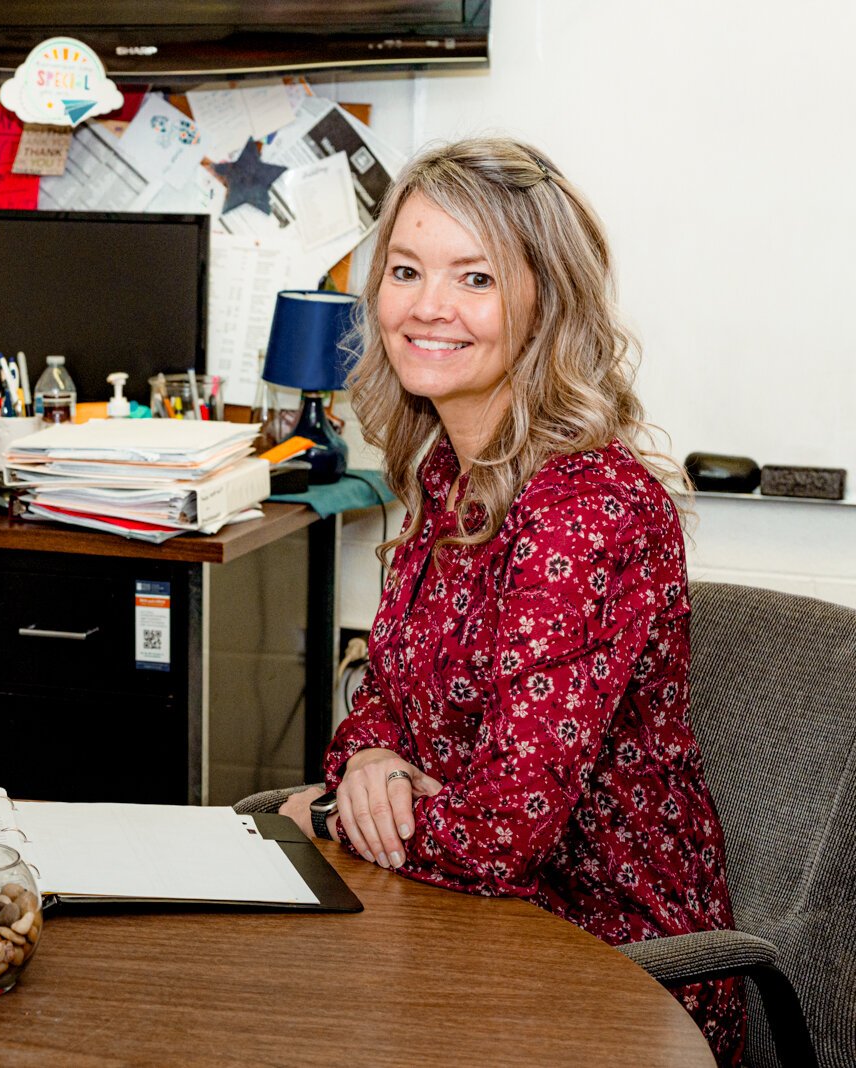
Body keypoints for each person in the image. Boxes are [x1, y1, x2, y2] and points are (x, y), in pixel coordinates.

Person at [277, 138, 743, 1063]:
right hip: (448, 918)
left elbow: (501, 832)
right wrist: (370, 756)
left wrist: (331, 813)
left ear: (545, 305)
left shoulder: (586, 508)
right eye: (405, 271)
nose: (428, 307)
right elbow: (387, 696)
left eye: (475, 278)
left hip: (607, 960)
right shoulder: (450, 470)